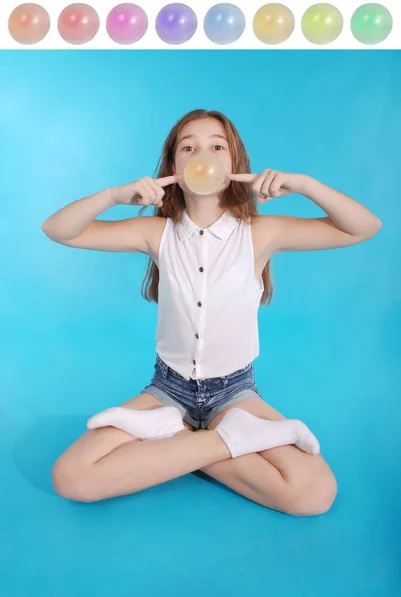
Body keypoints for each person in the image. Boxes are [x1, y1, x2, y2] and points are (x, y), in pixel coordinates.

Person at [42, 109, 381, 515]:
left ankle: (175, 443)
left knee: (313, 493)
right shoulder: (156, 234)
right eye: (189, 147)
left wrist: (304, 184)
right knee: (71, 476)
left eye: (216, 146)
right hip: (167, 390)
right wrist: (115, 196)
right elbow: (59, 229)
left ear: (232, 164)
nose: (203, 154)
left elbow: (363, 227)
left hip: (234, 393)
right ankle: (217, 441)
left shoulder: (261, 233)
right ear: (173, 167)